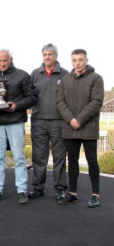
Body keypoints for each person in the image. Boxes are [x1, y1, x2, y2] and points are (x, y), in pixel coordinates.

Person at [0, 49, 37, 204]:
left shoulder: (22, 75)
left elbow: (33, 97)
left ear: (11, 59)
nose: (2, 63)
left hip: (15, 121)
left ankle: (22, 191)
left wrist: (17, 105)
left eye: (5, 60)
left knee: (19, 158)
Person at [57, 49, 104, 208]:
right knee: (72, 161)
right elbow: (60, 103)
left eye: (81, 60)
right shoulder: (65, 80)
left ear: (86, 60)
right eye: (75, 60)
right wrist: (71, 119)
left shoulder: (96, 79)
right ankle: (72, 193)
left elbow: (97, 102)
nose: (78, 63)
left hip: (88, 128)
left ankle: (95, 195)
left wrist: (80, 120)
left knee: (92, 161)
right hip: (70, 128)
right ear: (72, 62)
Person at [28, 43, 69, 202]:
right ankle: (38, 187)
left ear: (56, 56)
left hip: (59, 122)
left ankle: (60, 189)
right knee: (38, 157)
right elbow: (29, 95)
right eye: (45, 54)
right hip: (38, 121)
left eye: (50, 54)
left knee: (59, 156)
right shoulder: (35, 74)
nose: (47, 57)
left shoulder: (65, 74)